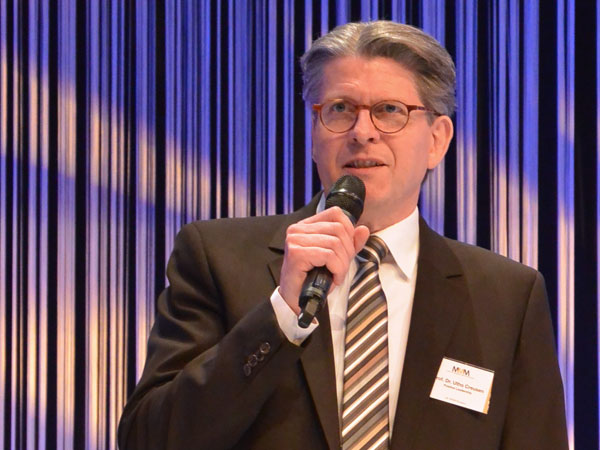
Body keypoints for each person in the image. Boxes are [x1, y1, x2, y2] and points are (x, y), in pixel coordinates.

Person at [118, 21, 568, 449]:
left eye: (389, 110)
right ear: (314, 133)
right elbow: (149, 439)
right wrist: (281, 315)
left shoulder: (506, 297)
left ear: (437, 140)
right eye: (340, 109)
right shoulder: (216, 257)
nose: (362, 132)